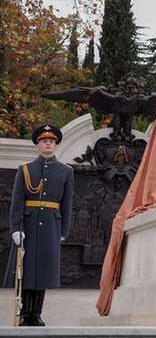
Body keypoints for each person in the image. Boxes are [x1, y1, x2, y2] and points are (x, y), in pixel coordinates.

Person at [3, 124, 73, 326]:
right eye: (44, 141)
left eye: (51, 141)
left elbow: (67, 203)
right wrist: (15, 228)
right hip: (29, 224)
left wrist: (63, 230)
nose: (48, 144)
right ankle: (24, 314)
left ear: (55, 144)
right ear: (38, 145)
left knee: (43, 270)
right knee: (26, 270)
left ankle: (36, 313)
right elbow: (17, 202)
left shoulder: (66, 171)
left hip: (51, 225)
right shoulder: (25, 169)